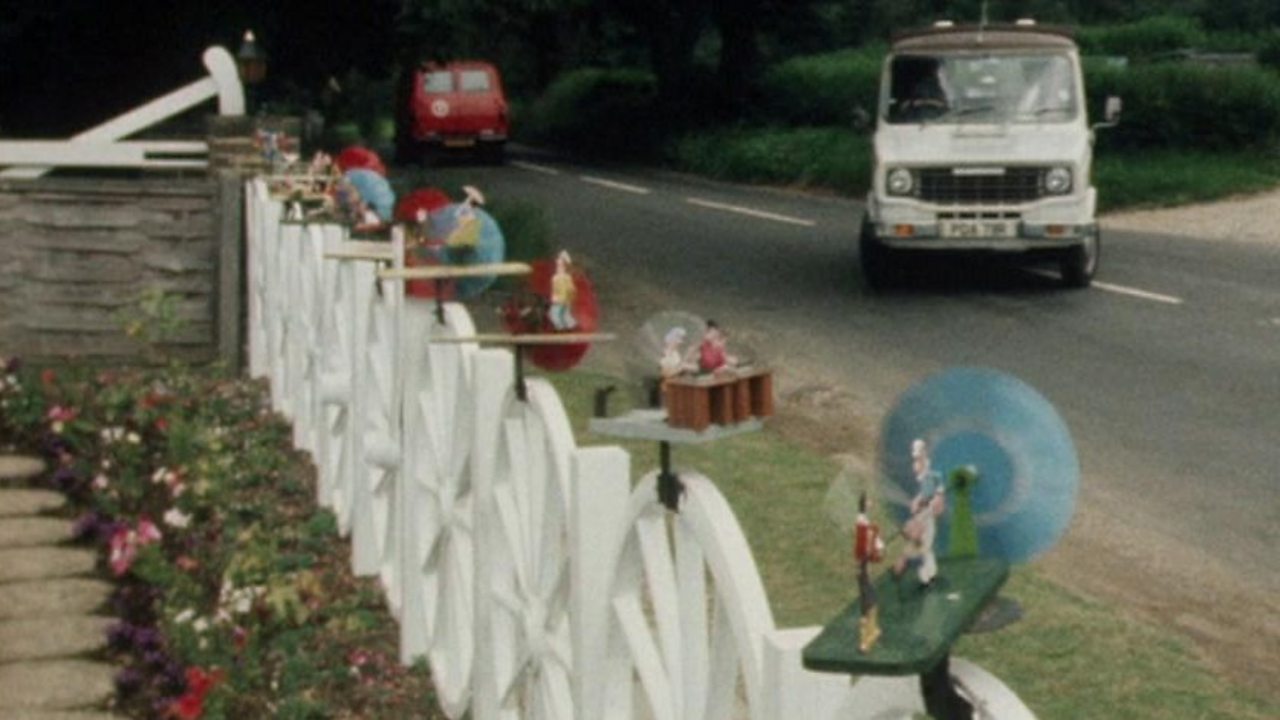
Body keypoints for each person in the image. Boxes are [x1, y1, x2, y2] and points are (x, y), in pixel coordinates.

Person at [894, 438, 945, 587]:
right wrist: (916, 504)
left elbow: (931, 490)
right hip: (921, 514)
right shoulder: (919, 469)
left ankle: (927, 576)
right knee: (924, 545)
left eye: (919, 455)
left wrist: (923, 501)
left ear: (924, 453)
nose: (917, 459)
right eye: (915, 455)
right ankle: (928, 576)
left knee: (925, 544)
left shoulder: (931, 472)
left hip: (926, 513)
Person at [854, 492, 885, 653]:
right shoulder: (863, 524)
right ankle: (866, 638)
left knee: (867, 601)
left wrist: (877, 548)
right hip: (863, 567)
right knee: (869, 602)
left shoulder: (866, 524)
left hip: (864, 567)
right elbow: (862, 546)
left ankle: (869, 633)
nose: (871, 503)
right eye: (868, 501)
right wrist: (873, 551)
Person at [549, 250, 578, 330]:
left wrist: (569, 296)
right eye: (557, 265)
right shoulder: (556, 277)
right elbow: (555, 289)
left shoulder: (565, 277)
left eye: (560, 266)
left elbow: (570, 288)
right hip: (561, 298)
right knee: (562, 313)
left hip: (563, 298)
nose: (558, 267)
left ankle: (564, 327)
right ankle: (566, 327)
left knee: (556, 313)